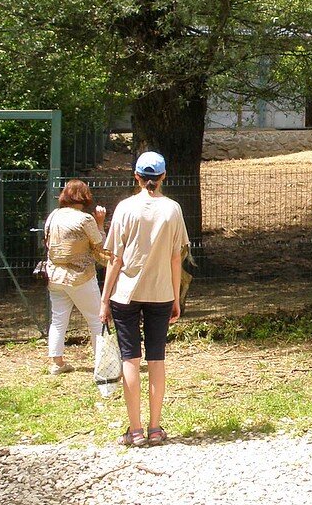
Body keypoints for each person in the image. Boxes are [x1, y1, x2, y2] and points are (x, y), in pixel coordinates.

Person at [100, 150, 188, 448]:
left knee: (130, 359)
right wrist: (176, 297)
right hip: (162, 293)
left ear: (136, 177)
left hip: (125, 294)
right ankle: (154, 428)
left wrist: (104, 299)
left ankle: (134, 430)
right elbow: (177, 257)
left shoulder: (124, 208)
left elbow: (115, 259)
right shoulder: (173, 209)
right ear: (164, 177)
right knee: (157, 358)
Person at [44, 179, 108, 375]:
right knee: (97, 319)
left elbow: (47, 242)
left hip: (54, 275)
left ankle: (57, 363)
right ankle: (103, 365)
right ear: (85, 196)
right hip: (80, 276)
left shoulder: (53, 215)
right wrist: (100, 223)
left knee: (58, 319)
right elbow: (100, 244)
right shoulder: (85, 219)